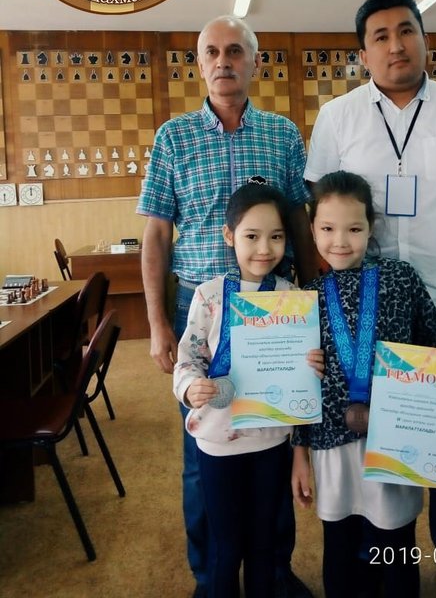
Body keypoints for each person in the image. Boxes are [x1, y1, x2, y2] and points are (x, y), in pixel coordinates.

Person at [304, 0, 436, 598]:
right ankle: (378, 549)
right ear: (362, 53)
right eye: (380, 36)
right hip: (364, 308)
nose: (395, 45)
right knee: (367, 429)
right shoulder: (338, 117)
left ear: (425, 39)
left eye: (406, 31)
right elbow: (320, 202)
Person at [137, 15, 317, 598]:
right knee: (204, 448)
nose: (223, 61)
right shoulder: (174, 138)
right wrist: (158, 322)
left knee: (273, 440)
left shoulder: (283, 135)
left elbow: (299, 222)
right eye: (211, 52)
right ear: (199, 64)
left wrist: (312, 305)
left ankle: (275, 569)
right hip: (200, 309)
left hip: (271, 312)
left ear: (255, 63)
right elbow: (156, 235)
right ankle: (210, 575)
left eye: (235, 51)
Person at [291, 171, 436, 598]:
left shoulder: (401, 279)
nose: (341, 241)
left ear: (371, 227)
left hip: (395, 439)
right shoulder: (307, 296)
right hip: (331, 445)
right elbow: (301, 389)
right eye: (327, 229)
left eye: (354, 229)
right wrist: (299, 453)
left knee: (396, 545)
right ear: (312, 229)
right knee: (340, 547)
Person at [174, 183, 324, 598]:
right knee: (226, 547)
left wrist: (313, 366)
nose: (264, 248)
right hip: (217, 442)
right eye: (251, 236)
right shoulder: (208, 296)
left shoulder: (293, 298)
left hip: (271, 443)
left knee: (262, 544)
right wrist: (190, 388)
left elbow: (304, 376)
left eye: (276, 237)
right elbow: (188, 358)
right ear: (229, 236)